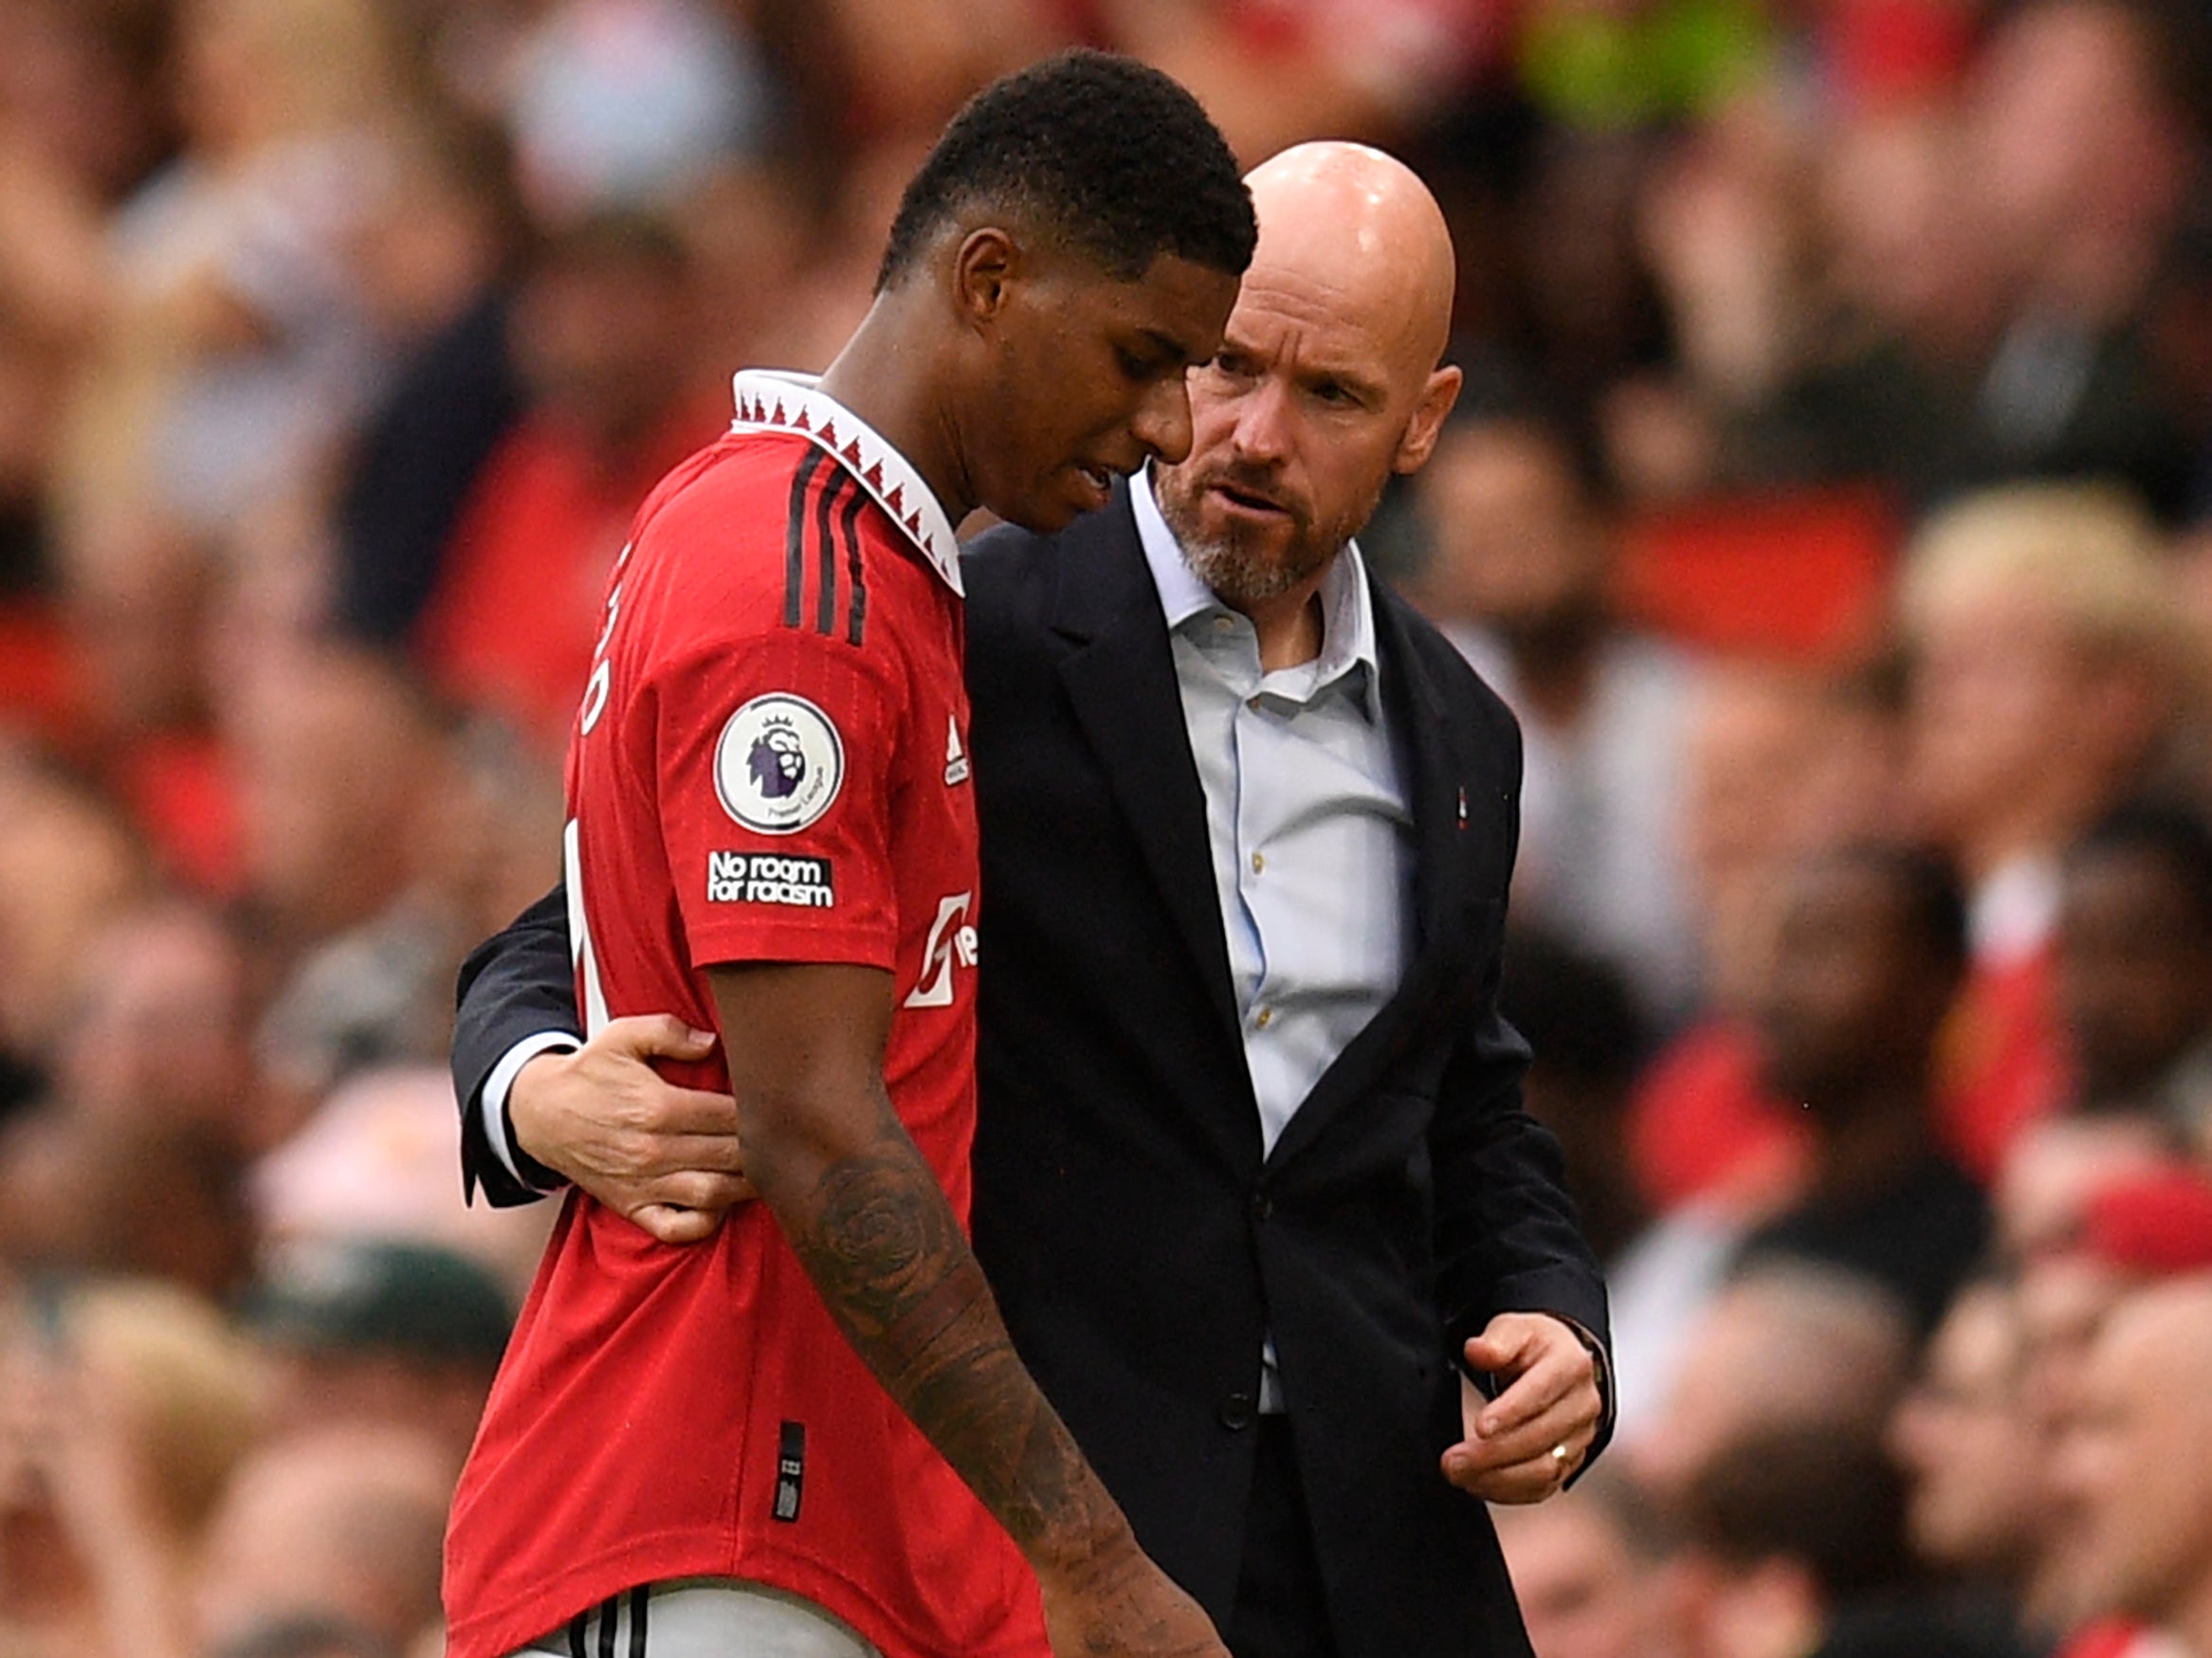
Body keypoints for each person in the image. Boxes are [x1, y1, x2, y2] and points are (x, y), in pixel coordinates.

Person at [455, 138, 1612, 1658]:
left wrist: (1551, 1315)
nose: (1248, 434)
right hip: (1048, 1521)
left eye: (1327, 396)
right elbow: (605, 914)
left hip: (1371, 1536)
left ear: (1422, 423)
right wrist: (531, 1086)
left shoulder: (1460, 728)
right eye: (1220, 366)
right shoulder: (954, 622)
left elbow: (1458, 1100)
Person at [439, 49, 1256, 1658]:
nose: (1170, 424)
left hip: (818, 1520)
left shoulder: (850, 562)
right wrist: (1085, 1553)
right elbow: (813, 1123)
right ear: (990, 277)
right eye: (1145, 356)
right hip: (709, 1499)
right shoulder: (796, 589)